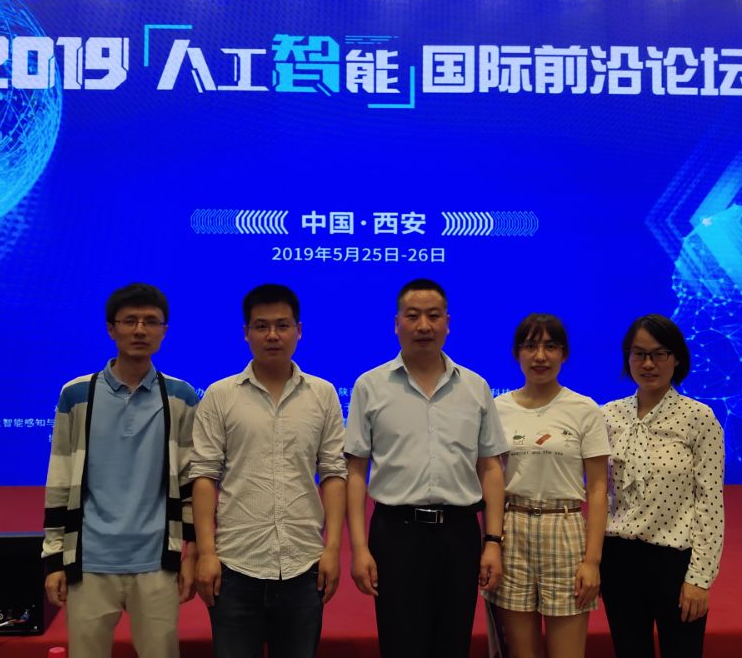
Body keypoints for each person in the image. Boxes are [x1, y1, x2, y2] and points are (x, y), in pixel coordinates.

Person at [345, 278, 509, 658]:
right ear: (397, 323)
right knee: (401, 643)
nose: (423, 326)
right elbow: (355, 471)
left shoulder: (475, 387)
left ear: (447, 323)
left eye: (433, 316)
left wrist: (492, 541)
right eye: (413, 316)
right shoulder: (370, 386)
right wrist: (359, 548)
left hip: (459, 534)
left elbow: (490, 469)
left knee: (453, 642)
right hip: (395, 535)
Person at [42, 283, 200, 658]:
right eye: (130, 321)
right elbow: (60, 478)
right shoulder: (76, 394)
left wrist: (191, 555)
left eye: (151, 321)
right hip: (90, 560)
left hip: (157, 562)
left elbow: (191, 481)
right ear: (111, 329)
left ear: (164, 331)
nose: (140, 330)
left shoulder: (181, 396)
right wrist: (53, 559)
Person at [190, 284, 347, 658]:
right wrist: (206, 553)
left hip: (303, 564)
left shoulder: (323, 394)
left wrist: (333, 549)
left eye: (282, 325)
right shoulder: (220, 395)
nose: (273, 335)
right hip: (234, 566)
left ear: (299, 330)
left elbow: (333, 473)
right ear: (246, 332)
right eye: (261, 326)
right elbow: (204, 477)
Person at [486, 314, 610, 658]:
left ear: (564, 354)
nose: (540, 356)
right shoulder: (497, 409)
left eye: (550, 346)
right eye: (530, 346)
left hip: (565, 528)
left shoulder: (585, 409)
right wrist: (491, 542)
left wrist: (592, 561)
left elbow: (598, 489)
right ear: (517, 353)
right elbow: (491, 480)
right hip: (513, 530)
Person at [601, 314, 725, 658]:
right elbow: (599, 494)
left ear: (677, 358)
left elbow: (710, 503)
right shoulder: (608, 416)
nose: (648, 364)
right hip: (618, 560)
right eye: (639, 354)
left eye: (659, 354)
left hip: (674, 562)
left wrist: (700, 578)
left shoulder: (699, 418)